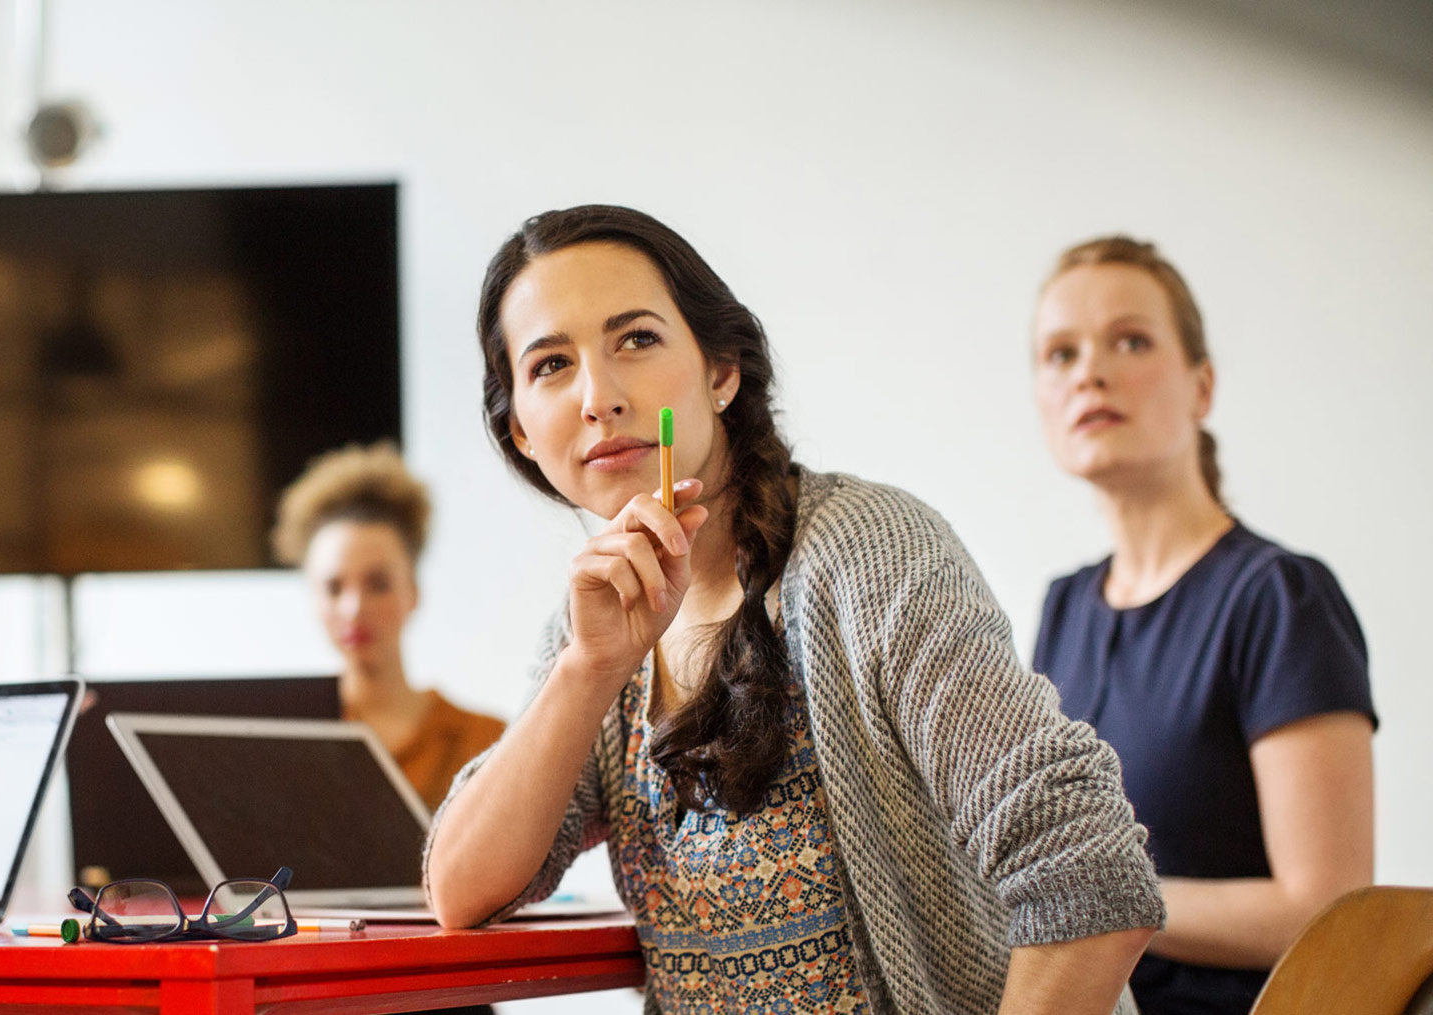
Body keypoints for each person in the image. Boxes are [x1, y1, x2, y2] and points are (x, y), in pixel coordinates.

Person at [424, 205, 1164, 1015]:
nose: (598, 396)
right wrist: (587, 668)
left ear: (721, 371)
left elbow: (1088, 863)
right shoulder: (597, 626)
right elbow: (461, 889)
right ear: (522, 433)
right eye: (551, 364)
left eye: (635, 339)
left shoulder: (867, 551)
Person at [1028, 236, 1375, 1014]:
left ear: (1202, 386)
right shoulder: (1063, 609)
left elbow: (1333, 906)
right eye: (1060, 354)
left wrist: (1102, 898)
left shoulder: (1280, 598)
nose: (1090, 371)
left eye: (1132, 340)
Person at [273, 441, 506, 810]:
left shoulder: (486, 741)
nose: (354, 608)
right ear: (313, 599)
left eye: (378, 584)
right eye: (333, 588)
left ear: (412, 592)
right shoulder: (283, 741)